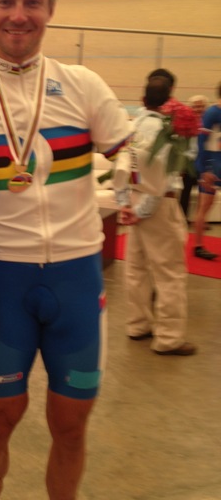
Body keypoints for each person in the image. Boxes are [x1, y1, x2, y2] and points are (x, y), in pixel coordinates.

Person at [0, 0, 132, 500]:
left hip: (77, 281)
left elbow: (126, 152)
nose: (18, 14)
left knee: (70, 425)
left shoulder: (83, 84)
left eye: (32, 2)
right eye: (5, 2)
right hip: (6, 284)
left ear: (51, 9)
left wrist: (132, 184)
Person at [116, 77, 196, 357]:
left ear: (143, 100)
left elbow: (121, 166)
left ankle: (138, 324)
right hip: (158, 205)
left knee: (136, 268)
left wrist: (125, 204)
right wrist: (141, 211)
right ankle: (169, 338)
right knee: (169, 273)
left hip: (134, 198)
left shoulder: (132, 126)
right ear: (170, 99)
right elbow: (161, 179)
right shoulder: (165, 131)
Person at [193, 81, 221, 260]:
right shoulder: (212, 113)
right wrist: (204, 170)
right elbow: (201, 142)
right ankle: (198, 246)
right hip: (211, 166)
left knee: (207, 205)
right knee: (204, 206)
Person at [179, 94, 209, 221]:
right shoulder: (186, 124)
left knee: (205, 193)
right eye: (195, 107)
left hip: (205, 163)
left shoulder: (209, 123)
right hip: (189, 162)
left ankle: (200, 220)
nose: (198, 109)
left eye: (201, 106)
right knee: (185, 192)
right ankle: (182, 219)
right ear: (190, 108)